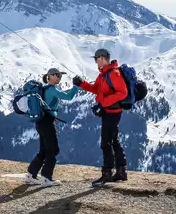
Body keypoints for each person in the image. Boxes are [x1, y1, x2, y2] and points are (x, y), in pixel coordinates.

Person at [72, 48, 129, 186]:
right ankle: (121, 171)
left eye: (95, 59)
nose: (95, 61)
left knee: (106, 143)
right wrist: (82, 84)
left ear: (102, 58)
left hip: (113, 113)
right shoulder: (103, 75)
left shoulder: (113, 74)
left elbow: (123, 93)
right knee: (114, 141)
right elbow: (96, 89)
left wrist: (103, 103)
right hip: (109, 112)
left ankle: (107, 174)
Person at [25, 68, 79, 187]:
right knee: (53, 149)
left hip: (40, 121)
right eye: (57, 75)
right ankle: (46, 177)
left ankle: (30, 175)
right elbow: (68, 97)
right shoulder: (53, 90)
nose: (60, 77)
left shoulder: (43, 89)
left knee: (43, 150)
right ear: (50, 76)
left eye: (60, 76)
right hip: (47, 122)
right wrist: (76, 86)